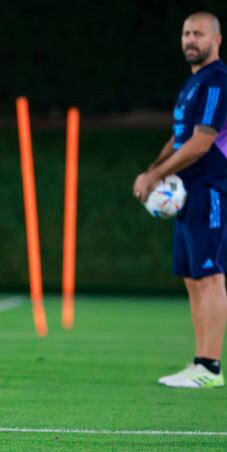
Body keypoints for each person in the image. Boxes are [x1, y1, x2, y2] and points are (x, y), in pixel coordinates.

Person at [133, 11, 227, 388]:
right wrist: (152, 172)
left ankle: (211, 367)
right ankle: (199, 361)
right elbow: (179, 138)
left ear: (216, 40)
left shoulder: (217, 80)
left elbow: (202, 142)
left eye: (199, 33)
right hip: (187, 192)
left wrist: (155, 175)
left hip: (211, 188)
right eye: (186, 33)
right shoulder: (192, 85)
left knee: (210, 275)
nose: (191, 39)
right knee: (192, 278)